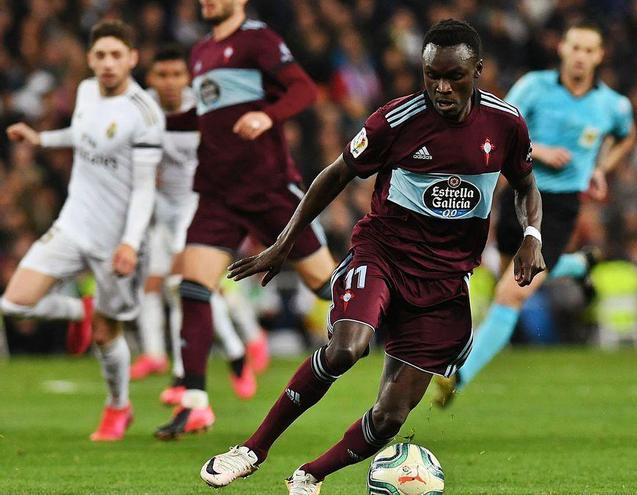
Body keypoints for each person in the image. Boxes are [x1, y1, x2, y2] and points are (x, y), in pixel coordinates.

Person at [198, 19, 544, 494]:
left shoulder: (505, 123)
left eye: (454, 77)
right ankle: (252, 450)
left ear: (477, 71)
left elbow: (526, 185)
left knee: (390, 415)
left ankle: (310, 476)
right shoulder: (395, 121)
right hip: (383, 255)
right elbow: (335, 174)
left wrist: (532, 235)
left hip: (445, 280)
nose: (442, 88)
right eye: (432, 76)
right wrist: (283, 243)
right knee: (347, 348)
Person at [154, 0, 336, 439]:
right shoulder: (200, 51)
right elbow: (207, 116)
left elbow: (303, 90)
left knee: (329, 286)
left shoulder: (258, 39)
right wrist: (156, 123)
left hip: (267, 187)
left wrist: (265, 115)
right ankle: (194, 403)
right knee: (193, 288)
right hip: (217, 193)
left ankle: (413, 322)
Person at [433, 20, 636, 407]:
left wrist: (600, 168)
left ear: (599, 56)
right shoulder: (534, 87)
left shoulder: (613, 105)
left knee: (511, 293)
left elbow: (627, 135)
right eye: (575, 47)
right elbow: (497, 124)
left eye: (588, 50)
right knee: (509, 277)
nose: (580, 56)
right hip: (518, 194)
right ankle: (578, 265)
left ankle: (458, 377)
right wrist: (538, 150)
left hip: (557, 208)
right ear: (562, 49)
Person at [1, 20, 163, 441]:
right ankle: (79, 311)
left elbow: (145, 189)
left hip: (117, 240)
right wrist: (40, 139)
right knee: (14, 302)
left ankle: (118, 406)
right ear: (90, 59)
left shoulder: (145, 113)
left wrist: (130, 242)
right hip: (73, 223)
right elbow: (82, 134)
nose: (108, 63)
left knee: (107, 333)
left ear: (132, 58)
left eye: (116, 55)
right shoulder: (86, 91)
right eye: (101, 55)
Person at [136, 45, 260, 402]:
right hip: (160, 208)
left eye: (177, 75)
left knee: (184, 286)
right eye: (162, 75)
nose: (170, 82)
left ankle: (183, 374)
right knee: (161, 286)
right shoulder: (142, 109)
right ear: (151, 78)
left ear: (188, 78)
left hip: (195, 204)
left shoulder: (205, 107)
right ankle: (230, 354)